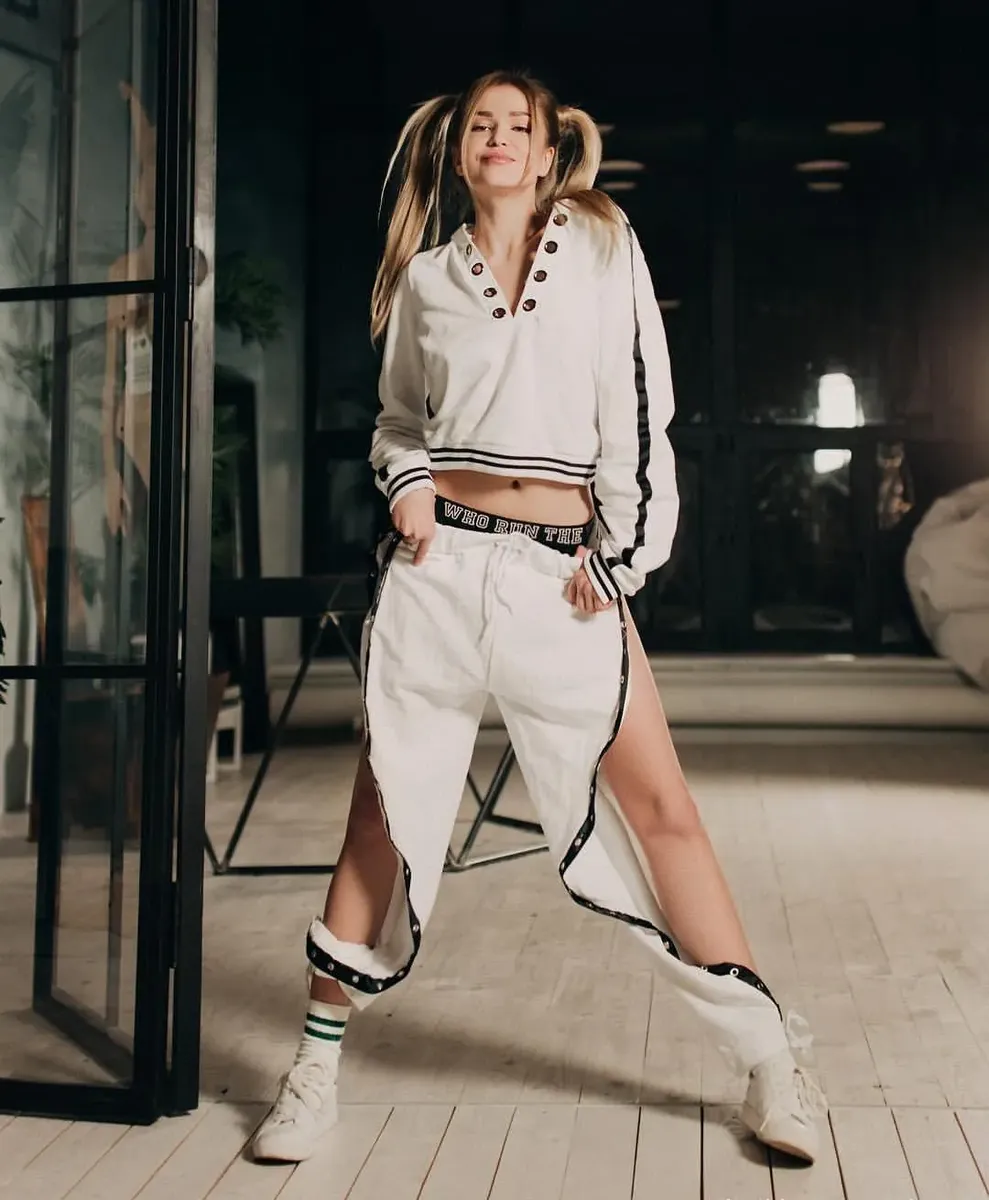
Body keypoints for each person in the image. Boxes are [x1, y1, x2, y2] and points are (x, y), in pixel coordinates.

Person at [251, 69, 826, 1167]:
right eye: (482, 124)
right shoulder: (426, 279)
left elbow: (642, 406)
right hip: (438, 574)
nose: (499, 137)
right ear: (458, 150)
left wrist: (623, 554)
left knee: (662, 810)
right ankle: (313, 1067)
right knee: (380, 816)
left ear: (552, 152)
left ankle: (770, 1066)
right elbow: (397, 422)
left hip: (564, 578)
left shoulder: (604, 248)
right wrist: (407, 486)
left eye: (520, 125)